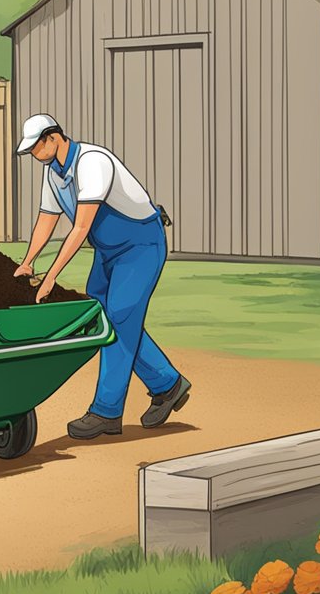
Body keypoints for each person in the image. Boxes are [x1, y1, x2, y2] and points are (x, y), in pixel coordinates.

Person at [13, 113, 191, 439]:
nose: (34, 154)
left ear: (53, 138)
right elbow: (46, 220)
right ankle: (168, 384)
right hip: (109, 251)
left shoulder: (92, 163)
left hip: (140, 245)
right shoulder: (53, 174)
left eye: (36, 147)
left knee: (120, 317)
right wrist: (28, 261)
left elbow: (80, 227)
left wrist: (51, 276)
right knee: (103, 318)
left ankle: (106, 412)